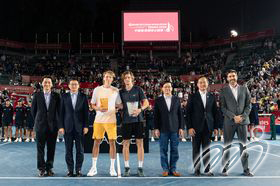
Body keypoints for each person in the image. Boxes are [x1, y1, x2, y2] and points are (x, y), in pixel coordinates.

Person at [87, 70, 122, 177]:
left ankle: (112, 168)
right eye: (106, 77)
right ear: (103, 78)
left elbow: (119, 105)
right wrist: (98, 108)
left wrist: (117, 109)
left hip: (111, 120)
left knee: (112, 143)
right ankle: (93, 168)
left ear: (112, 79)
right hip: (99, 120)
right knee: (96, 143)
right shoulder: (97, 90)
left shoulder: (116, 90)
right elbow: (92, 105)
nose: (108, 78)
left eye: (110, 77)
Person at [220, 70, 253, 177]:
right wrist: (233, 117)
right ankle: (225, 168)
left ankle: (246, 169)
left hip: (242, 122)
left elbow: (249, 105)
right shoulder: (223, 91)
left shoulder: (244, 89)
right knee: (227, 146)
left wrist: (242, 117)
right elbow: (222, 108)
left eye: (233, 75)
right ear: (227, 78)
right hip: (229, 122)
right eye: (230, 76)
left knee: (244, 147)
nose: (232, 77)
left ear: (237, 76)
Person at [119, 71, 149, 177]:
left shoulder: (138, 89)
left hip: (138, 120)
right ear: (123, 80)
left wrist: (140, 109)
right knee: (125, 144)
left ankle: (140, 168)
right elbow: (120, 106)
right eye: (125, 78)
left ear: (132, 79)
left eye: (129, 77)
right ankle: (127, 168)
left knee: (140, 144)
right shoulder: (120, 92)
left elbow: (146, 103)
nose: (127, 79)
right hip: (126, 121)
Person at [186, 77, 218, 176]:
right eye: (201, 83)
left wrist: (216, 127)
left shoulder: (212, 96)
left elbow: (215, 113)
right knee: (196, 149)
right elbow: (188, 113)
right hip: (195, 128)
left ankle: (207, 169)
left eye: (204, 83)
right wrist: (190, 127)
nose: (203, 84)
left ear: (207, 84)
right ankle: (197, 169)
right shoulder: (192, 96)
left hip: (208, 127)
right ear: (197, 85)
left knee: (207, 149)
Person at [59, 78, 89, 177]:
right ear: (69, 86)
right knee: (68, 150)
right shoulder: (64, 96)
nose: (74, 86)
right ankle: (70, 170)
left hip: (80, 127)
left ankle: (78, 170)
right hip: (67, 127)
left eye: (76, 84)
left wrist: (86, 126)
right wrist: (61, 126)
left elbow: (86, 113)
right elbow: (61, 113)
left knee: (80, 150)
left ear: (79, 86)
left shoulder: (83, 97)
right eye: (72, 84)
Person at [31, 76, 60, 177]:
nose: (47, 84)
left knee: (51, 149)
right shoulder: (37, 95)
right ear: (42, 84)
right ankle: (41, 169)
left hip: (53, 126)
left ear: (51, 85)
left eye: (49, 82)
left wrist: (59, 125)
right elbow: (33, 111)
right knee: (40, 149)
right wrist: (38, 120)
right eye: (45, 82)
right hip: (40, 126)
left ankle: (49, 168)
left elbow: (59, 111)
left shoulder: (57, 96)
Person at [154, 81, 184, 177]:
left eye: (169, 87)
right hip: (163, 129)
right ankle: (165, 169)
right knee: (163, 150)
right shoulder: (158, 100)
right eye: (165, 87)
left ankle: (173, 169)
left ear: (171, 89)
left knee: (174, 150)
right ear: (162, 89)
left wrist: (181, 128)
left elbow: (180, 115)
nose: (167, 89)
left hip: (175, 129)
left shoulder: (176, 100)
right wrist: (156, 128)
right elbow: (156, 116)